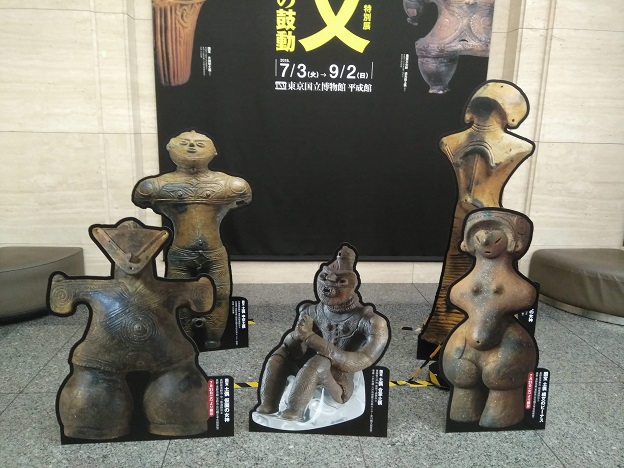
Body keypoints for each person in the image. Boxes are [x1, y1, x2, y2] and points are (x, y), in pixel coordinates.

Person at [133, 131, 252, 349]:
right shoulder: (156, 186)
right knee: (177, 294)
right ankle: (183, 335)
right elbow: (141, 198)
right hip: (181, 253)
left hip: (214, 252)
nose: (191, 147)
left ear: (214, 152)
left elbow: (244, 197)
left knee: (220, 293)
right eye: (185, 143)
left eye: (199, 144)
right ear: (170, 149)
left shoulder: (229, 185)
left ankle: (213, 336)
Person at [256, 245, 389, 421]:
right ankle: (268, 405)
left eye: (340, 282)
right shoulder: (311, 310)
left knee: (319, 362)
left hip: (339, 383)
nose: (328, 287)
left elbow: (361, 360)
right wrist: (296, 336)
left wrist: (311, 338)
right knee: (278, 357)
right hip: (307, 372)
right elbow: (294, 350)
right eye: (324, 278)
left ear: (352, 286)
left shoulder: (370, 321)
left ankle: (294, 411)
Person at [442, 208, 537, 428]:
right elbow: (457, 294)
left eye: (495, 234)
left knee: (500, 377)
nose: (486, 240)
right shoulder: (466, 284)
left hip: (505, 343)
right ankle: (466, 415)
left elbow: (525, 295)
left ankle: (501, 414)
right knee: (462, 374)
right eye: (479, 234)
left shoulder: (517, 287)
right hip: (467, 345)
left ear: (513, 242)